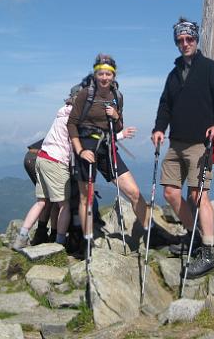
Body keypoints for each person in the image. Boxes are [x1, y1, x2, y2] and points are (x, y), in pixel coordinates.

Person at [151, 18, 214, 278]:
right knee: (171, 193)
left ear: (196, 40)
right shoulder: (173, 74)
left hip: (200, 143)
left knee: (198, 196)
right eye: (180, 40)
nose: (185, 43)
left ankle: (207, 251)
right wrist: (159, 128)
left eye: (189, 39)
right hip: (176, 142)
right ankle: (194, 237)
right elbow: (165, 105)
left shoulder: (210, 68)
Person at [68, 53, 164, 248]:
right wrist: (79, 151)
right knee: (86, 197)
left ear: (114, 75)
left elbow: (119, 126)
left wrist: (116, 114)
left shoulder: (117, 96)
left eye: (108, 74)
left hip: (107, 148)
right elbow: (71, 124)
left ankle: (151, 232)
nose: (105, 78)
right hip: (86, 147)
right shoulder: (85, 94)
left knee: (134, 192)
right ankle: (86, 242)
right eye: (101, 74)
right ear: (95, 74)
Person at [12, 96, 74, 251]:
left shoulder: (61, 115)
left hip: (41, 157)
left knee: (42, 202)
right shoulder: (74, 117)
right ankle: (59, 244)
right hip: (56, 160)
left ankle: (21, 238)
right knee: (64, 205)